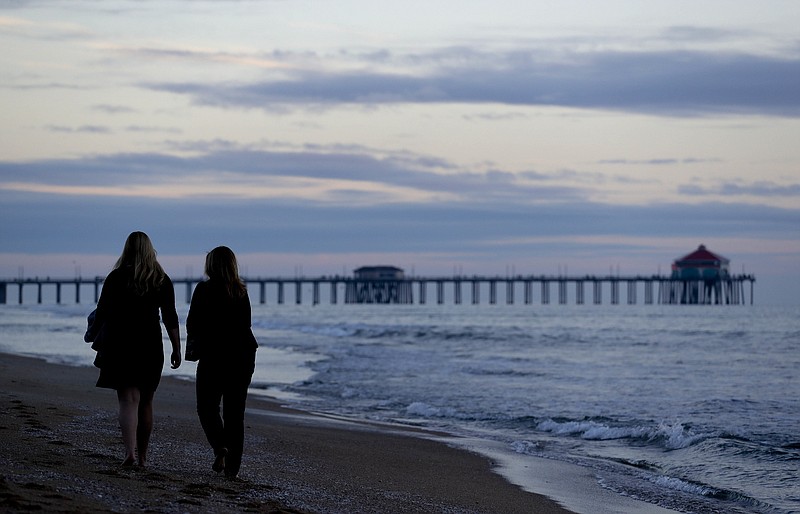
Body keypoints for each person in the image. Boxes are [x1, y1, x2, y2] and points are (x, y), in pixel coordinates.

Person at [92, 231, 182, 468]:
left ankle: (129, 453)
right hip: (150, 344)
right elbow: (170, 318)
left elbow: (102, 312)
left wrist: (94, 336)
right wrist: (177, 348)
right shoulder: (161, 279)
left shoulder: (115, 277)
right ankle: (143, 457)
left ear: (127, 250)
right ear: (150, 250)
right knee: (146, 402)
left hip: (120, 344)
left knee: (128, 401)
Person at [186, 246, 258, 479]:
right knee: (235, 413)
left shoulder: (203, 289)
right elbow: (246, 324)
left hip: (213, 356)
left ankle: (220, 446)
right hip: (243, 356)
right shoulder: (241, 290)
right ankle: (232, 470)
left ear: (210, 265)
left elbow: (192, 323)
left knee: (206, 407)